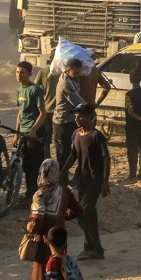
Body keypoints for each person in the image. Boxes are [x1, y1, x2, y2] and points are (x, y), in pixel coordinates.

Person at [61, 103, 110, 260]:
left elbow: (106, 158)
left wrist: (105, 182)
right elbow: (73, 155)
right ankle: (91, 247)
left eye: (80, 115)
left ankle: (95, 247)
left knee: (83, 210)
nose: (77, 118)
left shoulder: (97, 136)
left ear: (89, 117)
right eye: (76, 115)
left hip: (94, 181)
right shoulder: (75, 134)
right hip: (80, 180)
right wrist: (62, 172)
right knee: (87, 215)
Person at [27, 159, 83, 280]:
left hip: (44, 239)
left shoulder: (39, 194)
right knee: (60, 267)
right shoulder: (65, 191)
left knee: (42, 270)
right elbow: (79, 211)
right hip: (60, 236)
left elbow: (38, 219)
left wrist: (30, 229)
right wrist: (62, 217)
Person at [15, 61, 48, 205]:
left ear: (29, 74)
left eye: (22, 72)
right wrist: (17, 133)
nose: (19, 75)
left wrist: (33, 130)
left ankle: (31, 197)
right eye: (17, 72)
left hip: (34, 133)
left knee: (33, 167)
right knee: (22, 165)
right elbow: (20, 112)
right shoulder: (19, 90)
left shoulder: (35, 90)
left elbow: (43, 113)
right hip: (23, 133)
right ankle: (27, 194)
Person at [53, 59, 86, 187]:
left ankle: (66, 178)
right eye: (75, 72)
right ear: (67, 70)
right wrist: (90, 108)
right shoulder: (65, 83)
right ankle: (62, 181)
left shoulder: (72, 79)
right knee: (63, 153)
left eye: (79, 73)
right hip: (62, 121)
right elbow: (78, 102)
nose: (78, 75)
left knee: (73, 150)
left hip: (70, 120)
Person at [125, 70, 141, 179]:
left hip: (131, 126)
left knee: (132, 150)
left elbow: (130, 112)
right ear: (140, 79)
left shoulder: (128, 95)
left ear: (130, 79)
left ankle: (132, 173)